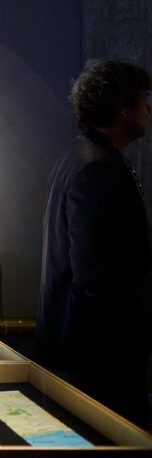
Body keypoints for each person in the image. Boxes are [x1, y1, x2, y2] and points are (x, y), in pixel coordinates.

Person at [36, 59, 152, 428]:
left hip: (82, 357)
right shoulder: (97, 167)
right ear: (122, 109)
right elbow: (97, 279)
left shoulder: (80, 155)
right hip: (98, 365)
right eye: (143, 100)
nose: (148, 110)